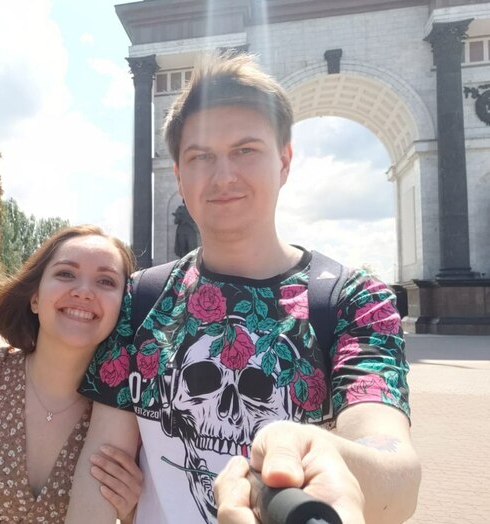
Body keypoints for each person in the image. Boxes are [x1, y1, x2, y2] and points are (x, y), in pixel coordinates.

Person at [65, 53, 420, 524]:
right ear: (179, 176)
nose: (223, 176)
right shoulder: (139, 300)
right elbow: (101, 469)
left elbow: (394, 471)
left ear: (284, 162)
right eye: (200, 157)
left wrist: (327, 455)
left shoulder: (355, 303)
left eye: (245, 150)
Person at [0, 225, 143, 524]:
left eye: (105, 281)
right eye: (66, 274)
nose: (84, 292)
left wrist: (131, 515)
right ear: (35, 298)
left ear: (122, 309)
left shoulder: (128, 417)